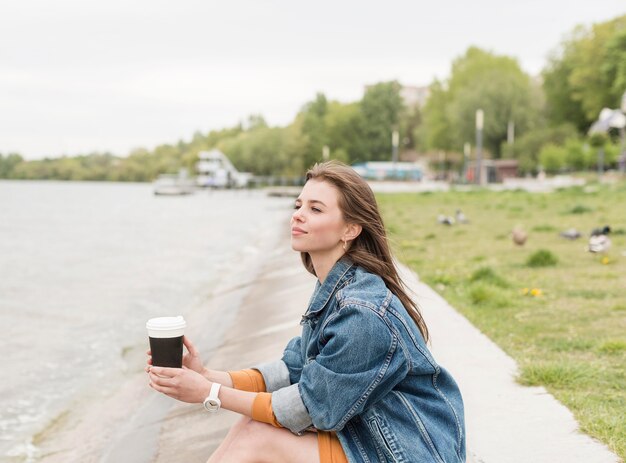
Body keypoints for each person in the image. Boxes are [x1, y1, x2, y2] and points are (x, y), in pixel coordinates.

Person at [147, 161, 466, 463]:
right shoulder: (336, 285)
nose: (298, 215)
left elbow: (312, 408)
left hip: (407, 452)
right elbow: (294, 369)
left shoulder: (363, 313)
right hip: (368, 435)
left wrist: (209, 393)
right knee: (250, 423)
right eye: (298, 205)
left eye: (315, 209)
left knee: (257, 435)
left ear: (350, 229)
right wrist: (207, 376)